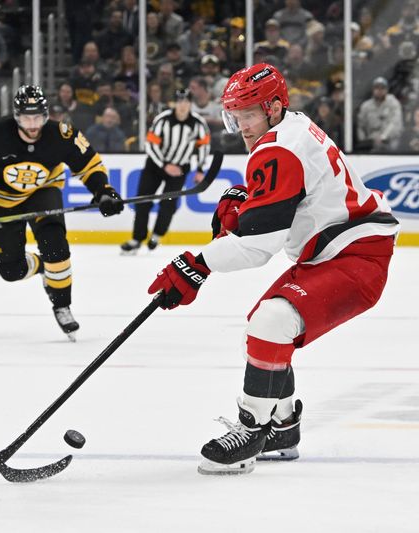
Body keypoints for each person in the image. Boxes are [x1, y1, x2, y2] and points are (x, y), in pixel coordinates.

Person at [147, 63, 399, 475]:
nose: (241, 126)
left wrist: (194, 265)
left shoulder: (276, 148)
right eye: (235, 116)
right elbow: (298, 191)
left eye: (248, 115)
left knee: (272, 322)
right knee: (262, 326)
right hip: (341, 252)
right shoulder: (293, 128)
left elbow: (259, 248)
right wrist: (248, 201)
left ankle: (252, 431)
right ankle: (282, 427)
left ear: (274, 107)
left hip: (356, 258)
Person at [0, 85, 124, 340]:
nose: (32, 124)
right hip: (2, 200)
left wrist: (103, 190)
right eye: (26, 117)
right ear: (16, 116)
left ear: (46, 116)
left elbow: (89, 164)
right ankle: (46, 266)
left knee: (55, 243)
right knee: (10, 271)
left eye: (37, 117)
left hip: (43, 191)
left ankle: (61, 303)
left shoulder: (62, 134)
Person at [121, 88, 210, 254]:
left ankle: (156, 235)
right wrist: (164, 165)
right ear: (175, 103)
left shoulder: (198, 123)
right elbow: (150, 144)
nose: (183, 105)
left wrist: (199, 169)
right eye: (180, 101)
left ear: (190, 103)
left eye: (186, 101)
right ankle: (137, 239)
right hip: (155, 166)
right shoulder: (162, 120)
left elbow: (204, 146)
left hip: (180, 168)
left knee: (168, 203)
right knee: (143, 200)